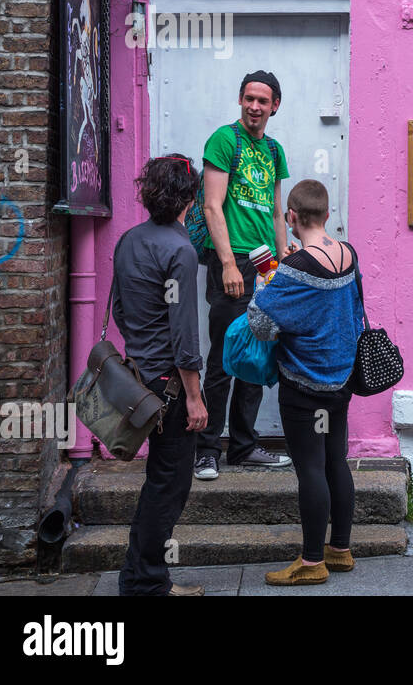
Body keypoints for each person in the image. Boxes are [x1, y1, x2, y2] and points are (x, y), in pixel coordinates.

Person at [246, 180, 363, 586]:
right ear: (327, 215)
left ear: (292, 217)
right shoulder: (348, 254)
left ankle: (312, 563)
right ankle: (341, 550)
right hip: (342, 380)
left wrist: (265, 283)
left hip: (304, 384)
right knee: (336, 462)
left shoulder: (294, 269)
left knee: (310, 468)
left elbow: (261, 325)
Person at [114, 155, 211, 596]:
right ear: (190, 198)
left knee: (158, 480)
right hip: (169, 386)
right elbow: (185, 334)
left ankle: (141, 577)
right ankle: (147, 583)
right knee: (168, 484)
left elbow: (119, 309)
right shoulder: (181, 249)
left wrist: (142, 349)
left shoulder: (129, 240)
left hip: (138, 376)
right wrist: (194, 396)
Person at [195, 70, 296, 480]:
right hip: (232, 261)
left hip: (266, 265)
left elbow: (275, 210)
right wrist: (228, 264)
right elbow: (212, 206)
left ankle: (243, 445)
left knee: (256, 357)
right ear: (241, 100)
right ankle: (206, 450)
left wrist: (284, 254)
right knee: (222, 358)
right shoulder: (224, 140)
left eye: (263, 100)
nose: (255, 106)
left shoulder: (273, 150)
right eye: (249, 98)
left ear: (275, 106)